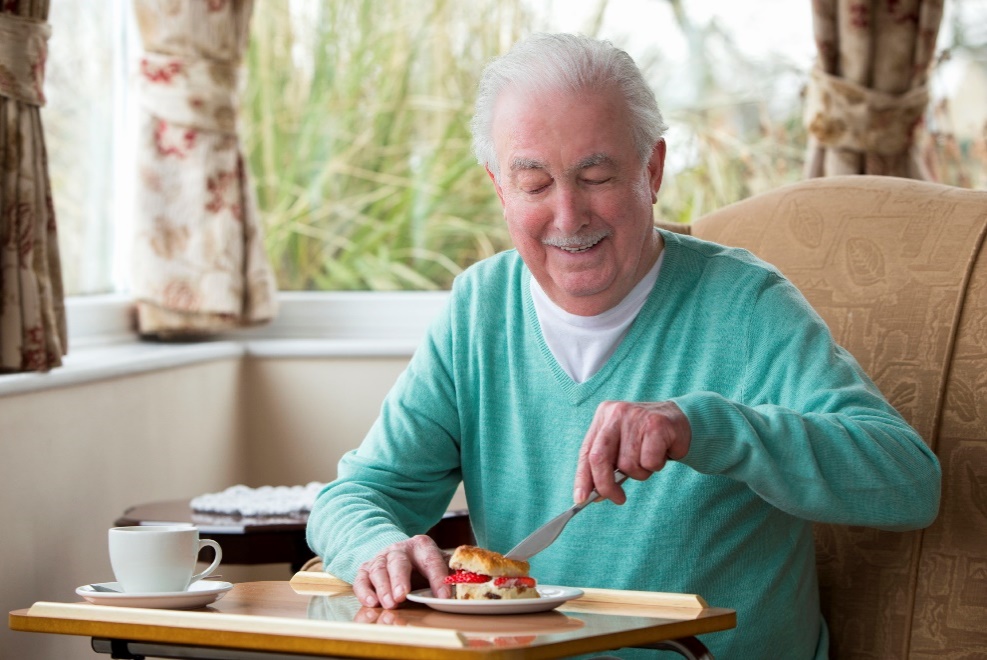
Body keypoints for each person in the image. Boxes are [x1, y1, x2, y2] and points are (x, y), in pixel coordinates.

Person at [306, 33, 941, 658]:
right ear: (501, 189)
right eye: (534, 184)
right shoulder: (479, 309)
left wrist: (706, 427)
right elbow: (352, 498)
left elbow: (909, 482)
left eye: (597, 175)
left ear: (653, 169)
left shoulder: (746, 305)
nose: (568, 216)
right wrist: (375, 547)